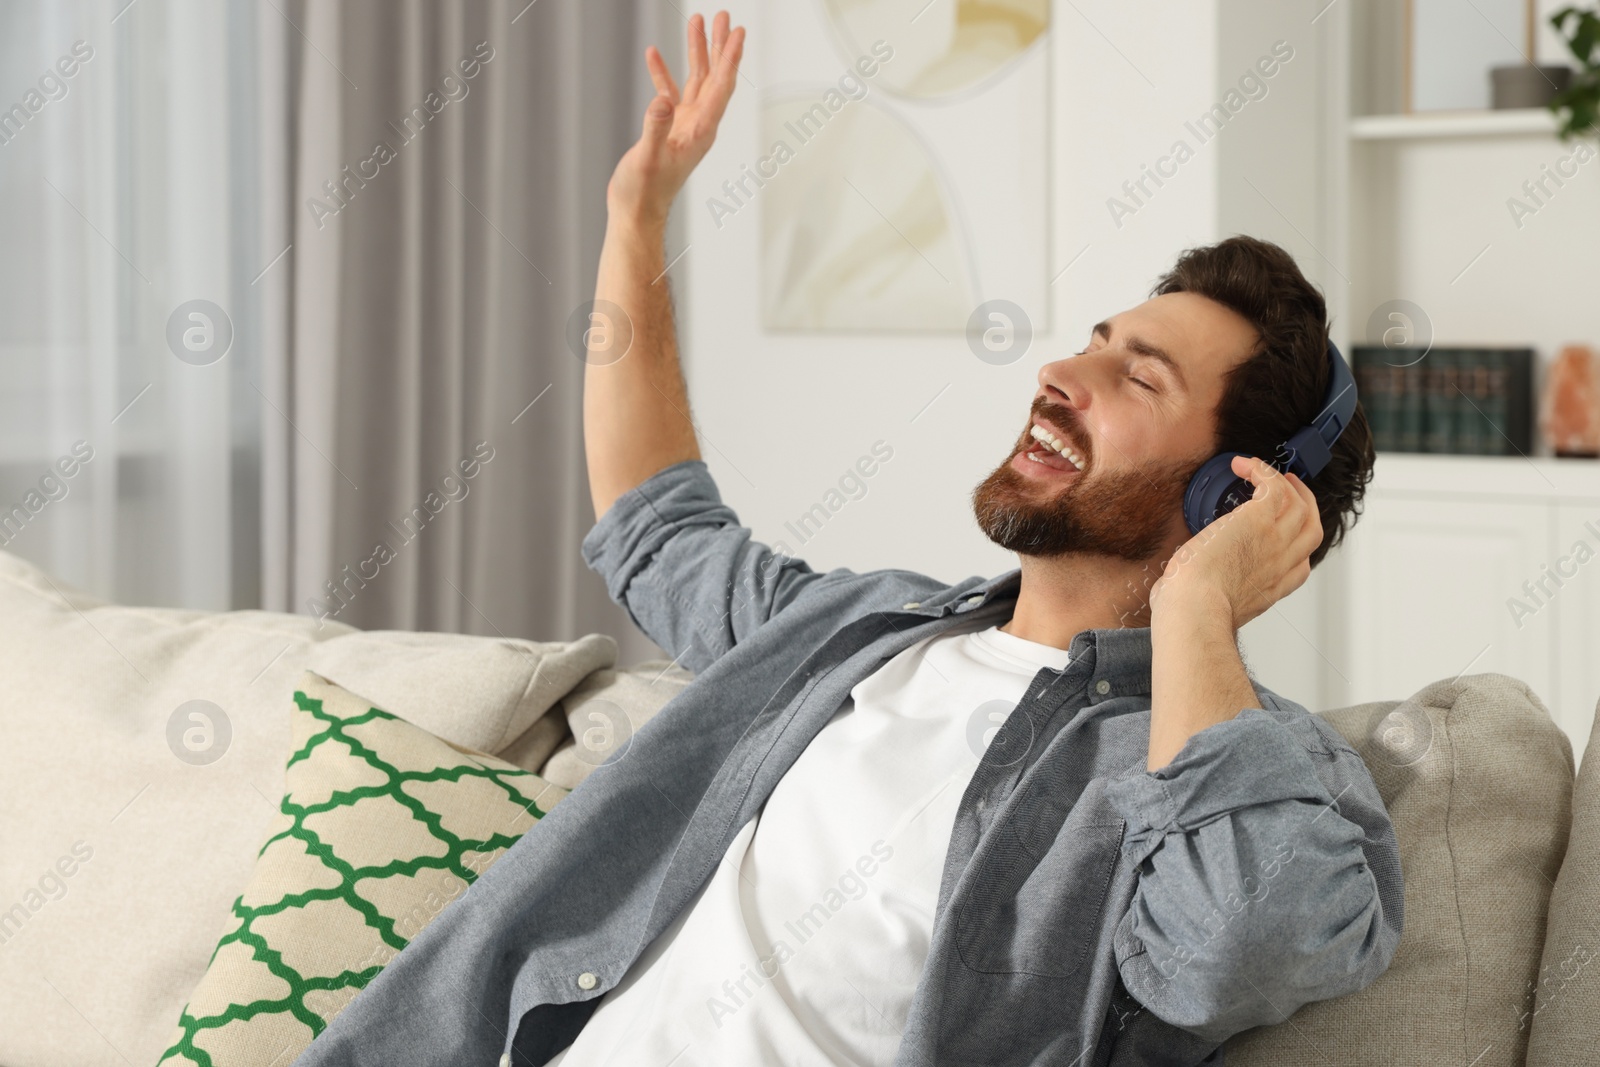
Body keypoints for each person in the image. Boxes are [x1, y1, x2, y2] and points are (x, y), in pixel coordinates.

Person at [293, 11, 1401, 1067]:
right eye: (1093, 341)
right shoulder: (859, 626)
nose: (1061, 374)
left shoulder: (1261, 772)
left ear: (1231, 496)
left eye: (1135, 376)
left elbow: (1237, 949)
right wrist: (637, 216)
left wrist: (1196, 609)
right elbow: (654, 523)